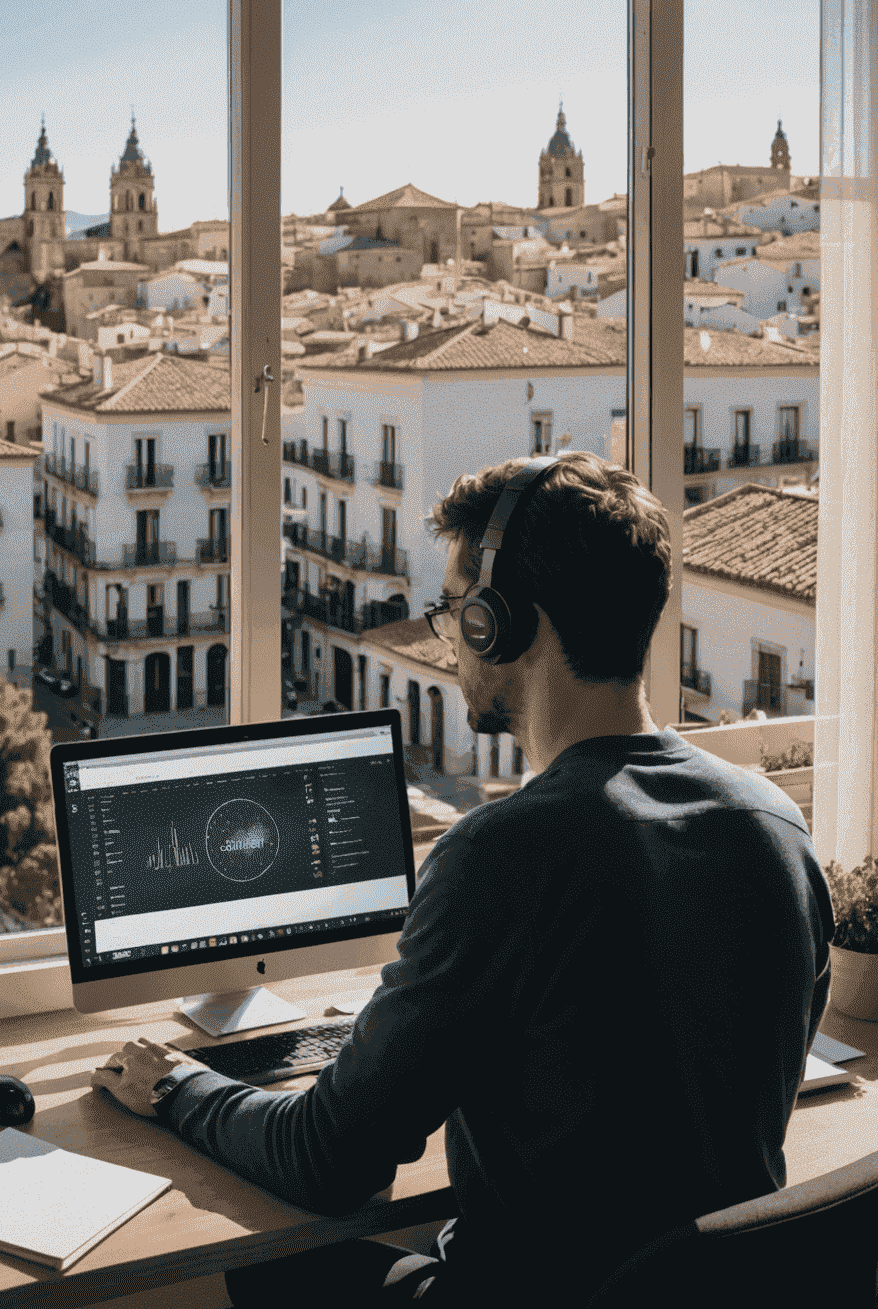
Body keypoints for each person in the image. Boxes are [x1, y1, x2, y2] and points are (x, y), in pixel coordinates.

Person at [91, 453, 833, 1306]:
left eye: (454, 609)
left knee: (271, 1265)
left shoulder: (502, 856)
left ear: (500, 624)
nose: (449, 637)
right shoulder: (775, 824)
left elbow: (327, 1162)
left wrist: (179, 1085)